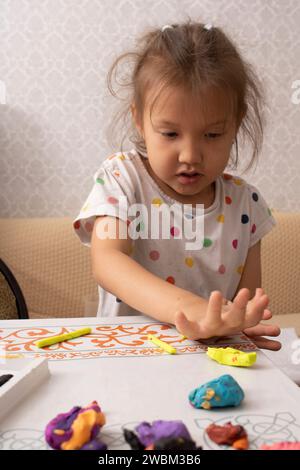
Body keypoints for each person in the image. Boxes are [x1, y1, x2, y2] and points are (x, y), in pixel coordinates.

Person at [73, 21, 281, 350]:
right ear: (139, 120)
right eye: (170, 134)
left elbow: (244, 304)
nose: (190, 155)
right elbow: (107, 262)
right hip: (127, 358)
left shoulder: (247, 204)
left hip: (210, 361)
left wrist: (242, 324)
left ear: (236, 123)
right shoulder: (121, 179)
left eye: (212, 135)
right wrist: (191, 309)